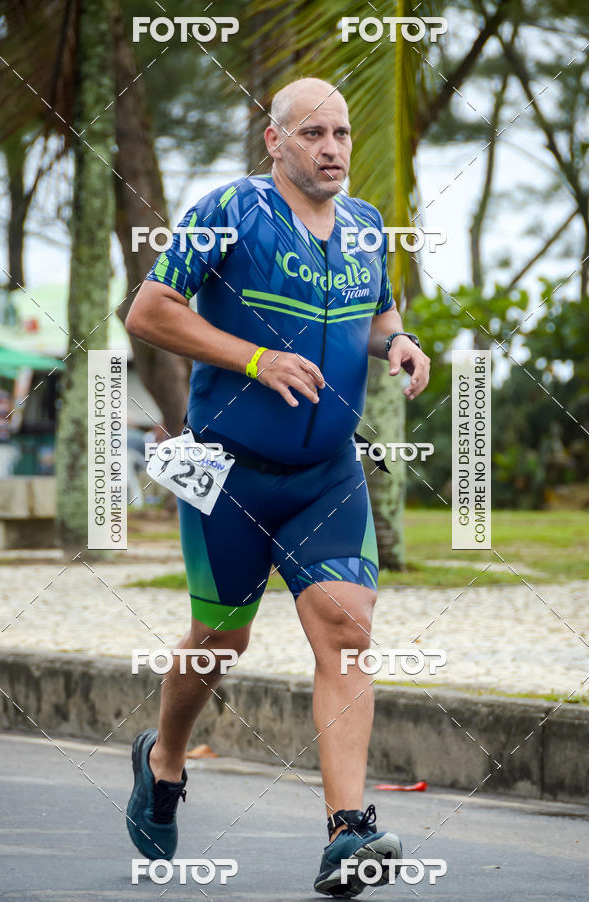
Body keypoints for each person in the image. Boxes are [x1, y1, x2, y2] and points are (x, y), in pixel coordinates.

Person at [124, 77, 430, 897]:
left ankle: (345, 832)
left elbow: (375, 315)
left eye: (341, 134)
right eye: (313, 134)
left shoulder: (367, 228)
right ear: (275, 141)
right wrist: (254, 358)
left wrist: (397, 342)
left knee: (347, 627)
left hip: (327, 478)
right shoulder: (229, 211)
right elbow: (148, 313)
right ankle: (164, 759)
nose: (332, 148)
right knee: (221, 643)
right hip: (227, 477)